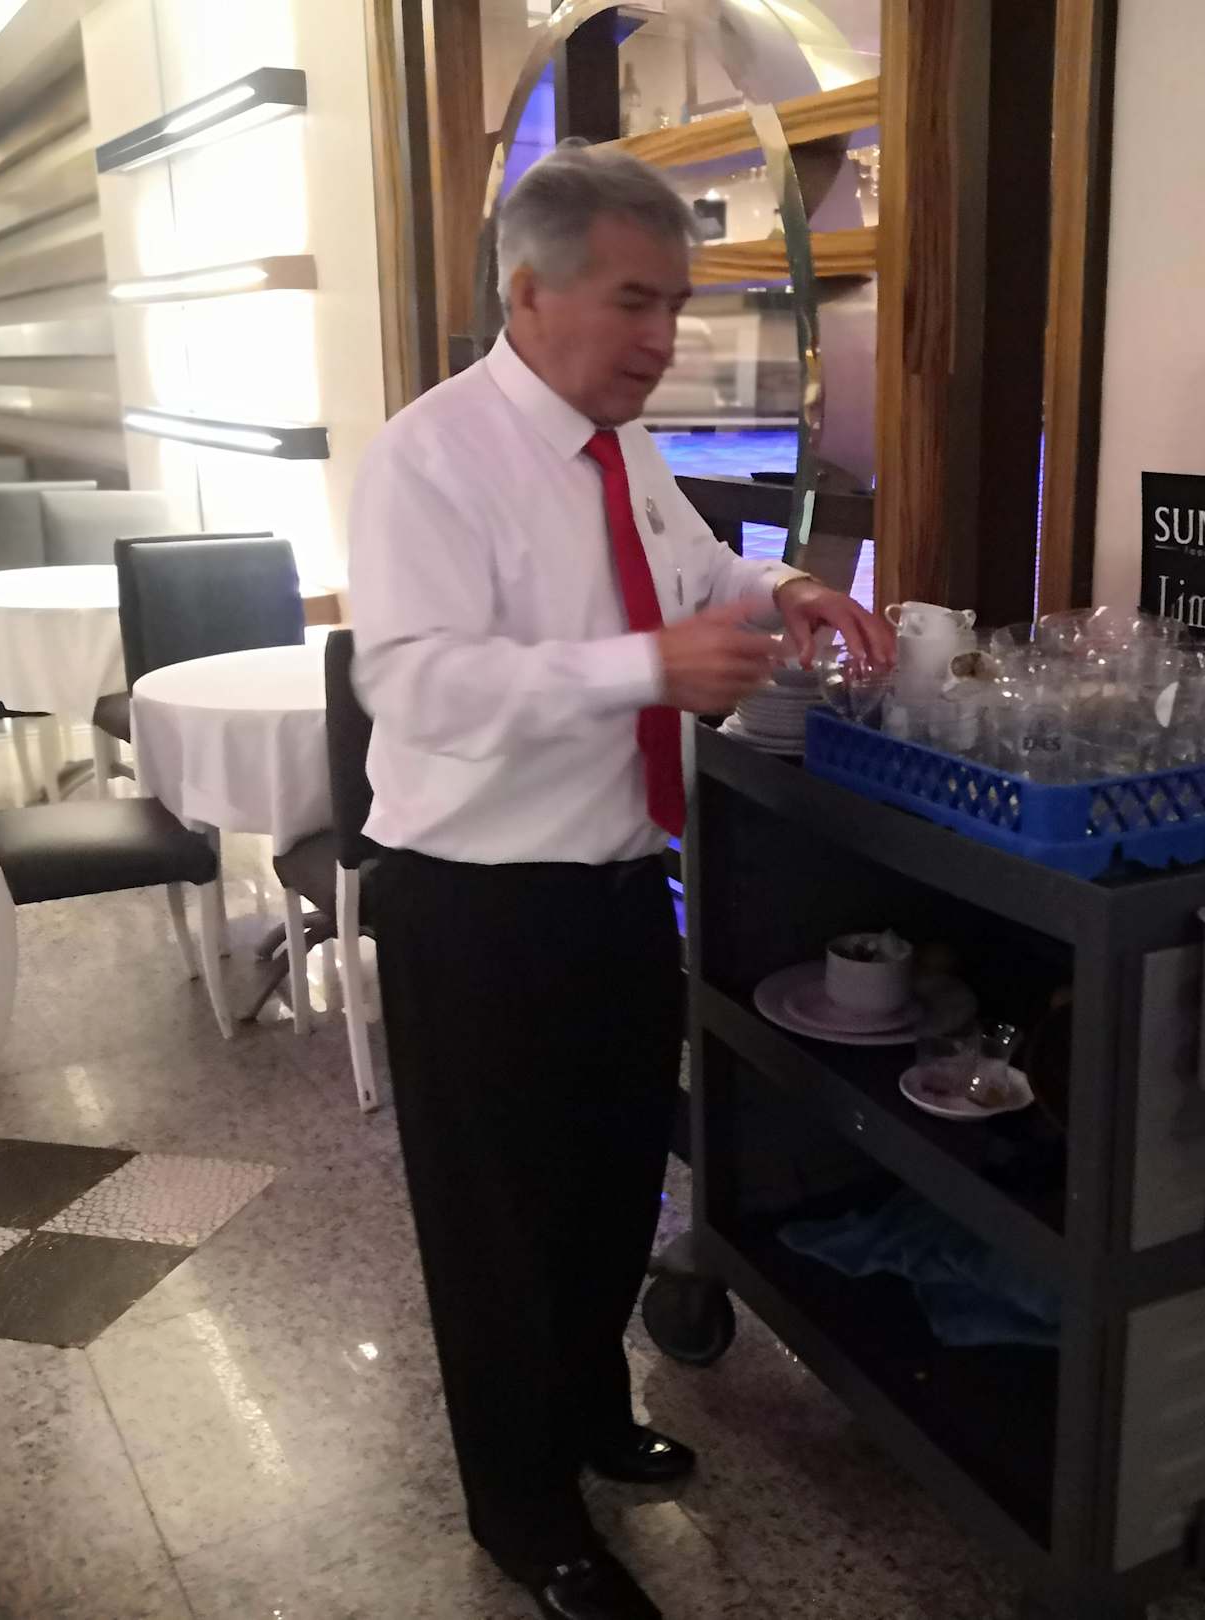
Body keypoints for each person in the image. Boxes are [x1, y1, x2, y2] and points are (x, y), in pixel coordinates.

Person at [348, 143, 893, 1620]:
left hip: (614, 887)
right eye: (636, 302)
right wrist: (643, 669)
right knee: (498, 1233)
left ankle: (590, 1415)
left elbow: (697, 568)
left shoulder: (622, 447)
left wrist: (786, 587)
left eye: (676, 306)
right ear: (530, 293)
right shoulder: (430, 458)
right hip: (475, 905)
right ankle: (522, 1512)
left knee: (604, 1193)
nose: (664, 340)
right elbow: (414, 682)